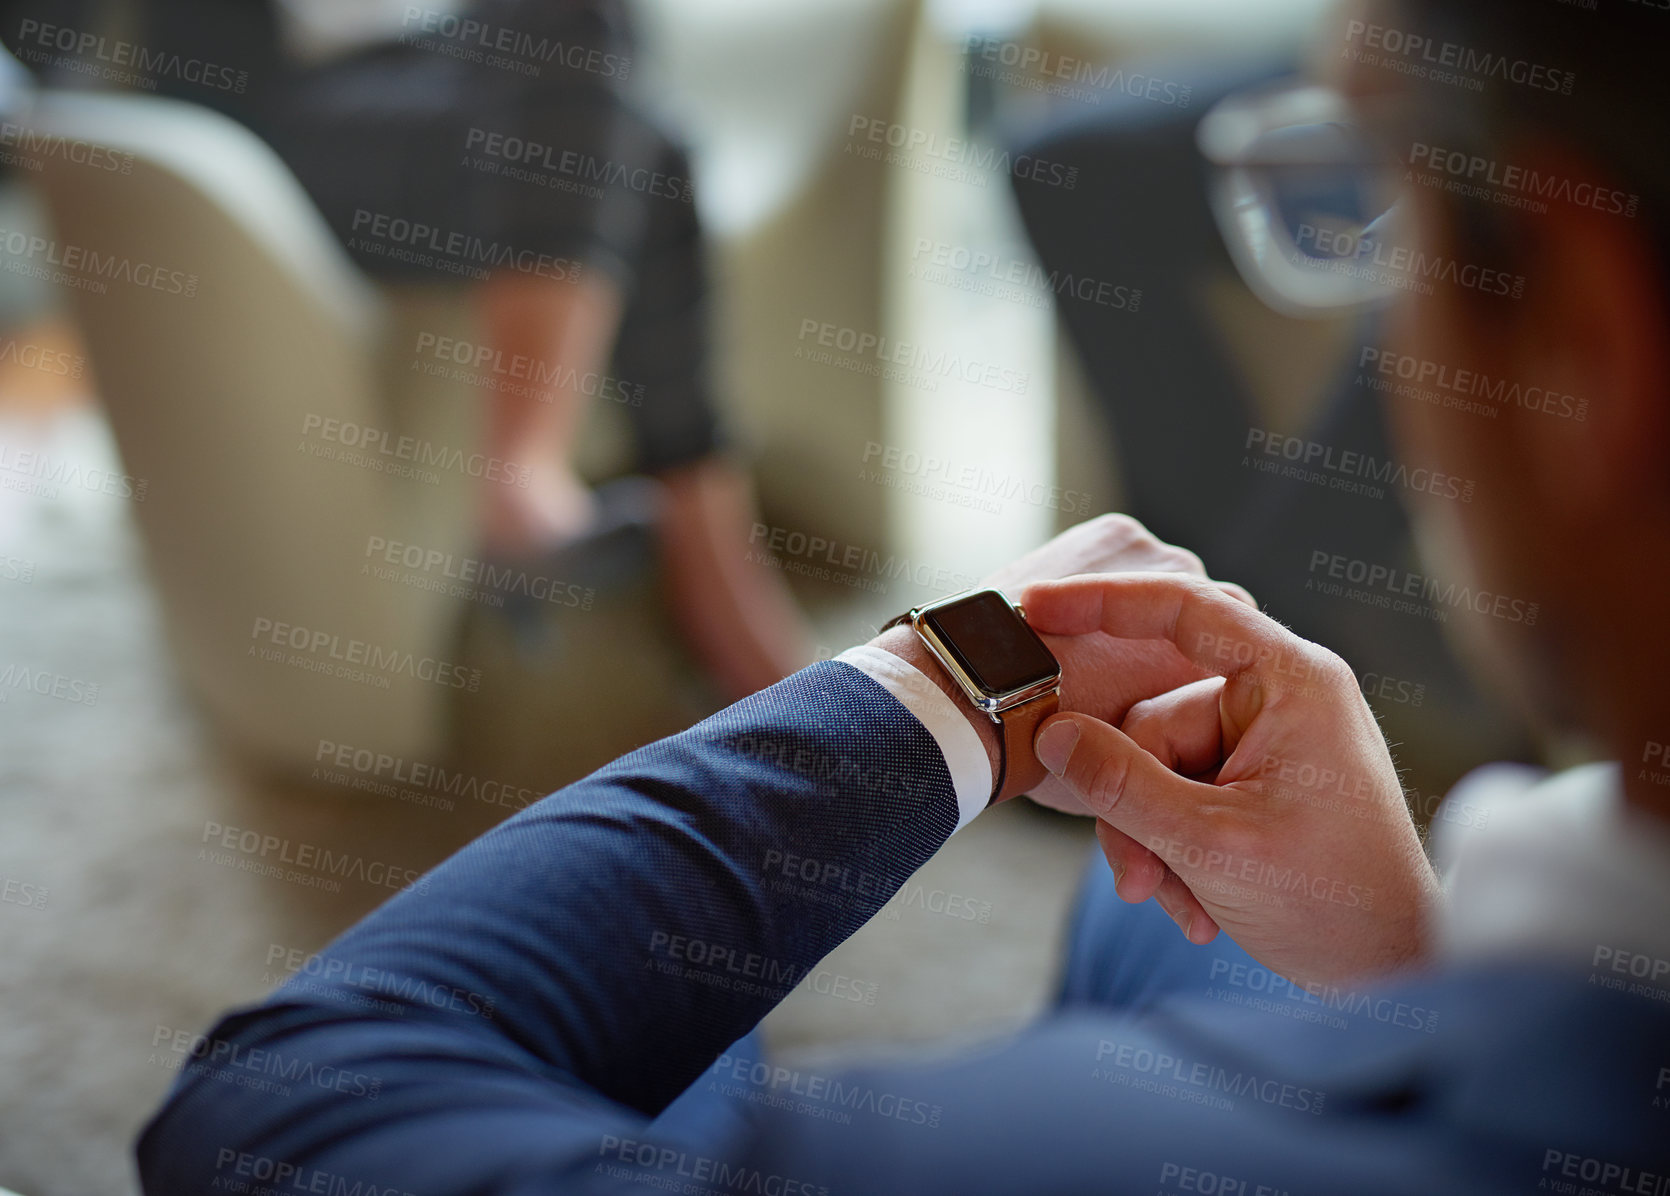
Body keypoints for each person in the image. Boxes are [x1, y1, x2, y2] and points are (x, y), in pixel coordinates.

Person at [136, 0, 1670, 1191]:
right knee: (1161, 899)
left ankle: (625, 527)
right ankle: (659, 524)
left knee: (670, 1044)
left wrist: (940, 672)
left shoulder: (925, 1162)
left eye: (1378, 220)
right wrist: (1410, 947)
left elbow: (277, 1107)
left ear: (1585, 343)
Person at [0, 0, 812, 701]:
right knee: (644, 149)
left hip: (454, 70)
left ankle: (599, 523)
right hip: (275, 112)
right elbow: (40, 44)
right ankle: (680, 562)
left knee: (603, 77)